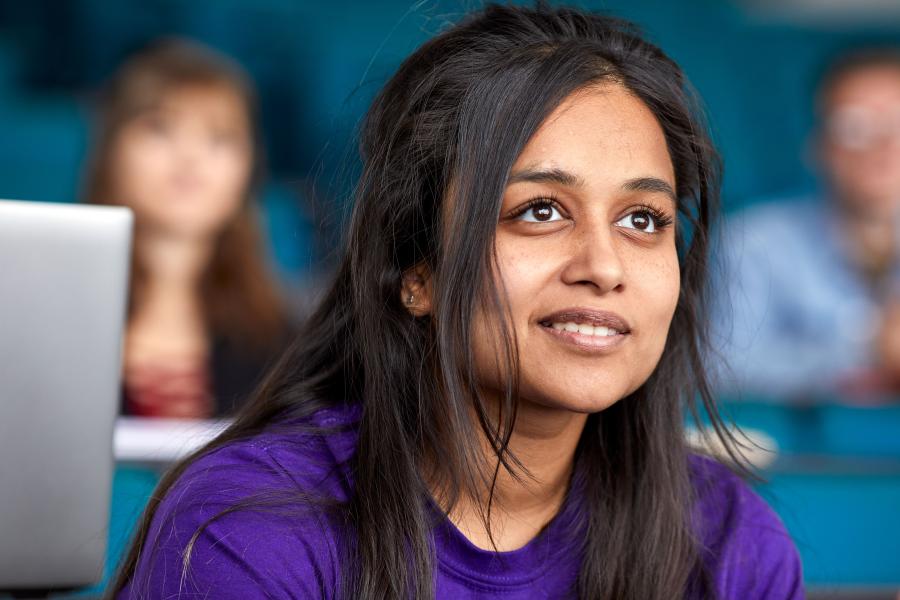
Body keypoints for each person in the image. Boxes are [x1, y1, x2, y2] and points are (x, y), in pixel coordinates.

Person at [111, 5, 802, 599]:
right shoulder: (249, 526)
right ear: (416, 273)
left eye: (643, 219)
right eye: (539, 211)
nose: (605, 266)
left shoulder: (730, 543)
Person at [84, 39, 290, 418]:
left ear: (248, 169)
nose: (190, 156)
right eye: (160, 128)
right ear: (111, 151)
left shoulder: (290, 338)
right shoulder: (46, 319)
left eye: (220, 137)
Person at [713, 48, 900, 402]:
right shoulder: (752, 240)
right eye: (854, 126)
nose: (883, 146)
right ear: (820, 147)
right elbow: (718, 366)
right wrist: (867, 347)